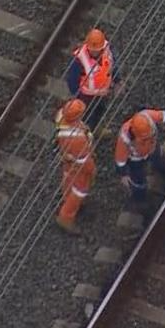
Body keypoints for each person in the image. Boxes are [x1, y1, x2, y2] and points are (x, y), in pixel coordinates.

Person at [114, 108, 165, 206]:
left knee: (161, 164)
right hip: (135, 159)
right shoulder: (124, 138)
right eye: (143, 139)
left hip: (153, 149)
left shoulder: (148, 116)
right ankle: (140, 197)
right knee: (138, 179)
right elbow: (120, 160)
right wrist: (124, 174)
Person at [54, 99, 95, 234]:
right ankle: (65, 217)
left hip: (69, 160)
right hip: (78, 166)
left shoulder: (62, 118)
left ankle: (67, 198)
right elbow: (84, 161)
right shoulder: (77, 139)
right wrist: (92, 170)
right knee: (80, 190)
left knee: (68, 178)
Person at [65, 28, 117, 132]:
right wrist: (78, 98)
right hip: (87, 97)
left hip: (103, 93)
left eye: (98, 49)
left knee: (100, 111)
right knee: (89, 118)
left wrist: (117, 79)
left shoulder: (107, 49)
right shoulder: (79, 60)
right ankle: (89, 135)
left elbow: (112, 64)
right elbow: (72, 81)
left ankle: (98, 128)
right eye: (93, 49)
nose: (95, 51)